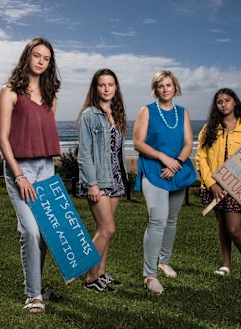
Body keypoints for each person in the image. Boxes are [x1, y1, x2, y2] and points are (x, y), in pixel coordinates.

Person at [0, 37, 62, 313]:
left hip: (46, 167)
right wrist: (19, 175)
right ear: (27, 56)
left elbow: (43, 136)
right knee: (30, 230)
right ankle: (34, 295)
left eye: (46, 58)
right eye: (37, 55)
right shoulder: (9, 91)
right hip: (19, 168)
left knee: (46, 233)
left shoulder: (51, 97)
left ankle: (34, 286)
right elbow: (2, 137)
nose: (41, 61)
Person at [133, 70, 196, 294]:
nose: (165, 89)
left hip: (177, 170)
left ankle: (164, 261)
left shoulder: (183, 112)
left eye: (168, 85)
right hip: (154, 171)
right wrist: (163, 159)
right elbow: (138, 143)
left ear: (175, 87)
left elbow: (189, 143)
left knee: (171, 219)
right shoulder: (147, 111)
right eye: (160, 86)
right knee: (157, 220)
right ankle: (149, 275)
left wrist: (176, 163)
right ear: (155, 89)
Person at [196, 88, 241, 280]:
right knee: (222, 226)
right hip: (214, 186)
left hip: (237, 187)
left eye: (227, 100)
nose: (223, 104)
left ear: (235, 103)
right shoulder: (208, 128)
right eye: (219, 101)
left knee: (234, 228)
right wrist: (211, 184)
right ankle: (226, 265)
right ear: (216, 105)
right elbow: (201, 158)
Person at [77, 68, 128, 292]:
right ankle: (90, 278)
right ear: (95, 88)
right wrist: (92, 183)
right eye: (102, 84)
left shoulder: (117, 114)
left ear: (116, 87)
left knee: (102, 230)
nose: (106, 88)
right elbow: (85, 153)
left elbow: (117, 151)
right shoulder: (89, 115)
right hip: (99, 180)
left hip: (116, 178)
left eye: (111, 84)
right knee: (107, 230)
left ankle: (101, 273)